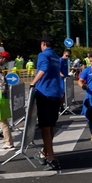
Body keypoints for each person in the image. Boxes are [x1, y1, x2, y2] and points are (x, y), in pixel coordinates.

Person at [29, 35, 64, 171]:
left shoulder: (43, 55)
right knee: (51, 127)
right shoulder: (55, 55)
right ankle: (44, 153)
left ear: (43, 43)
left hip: (45, 93)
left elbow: (43, 69)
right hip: (55, 93)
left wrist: (33, 82)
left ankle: (52, 159)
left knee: (45, 127)